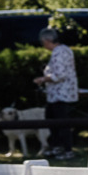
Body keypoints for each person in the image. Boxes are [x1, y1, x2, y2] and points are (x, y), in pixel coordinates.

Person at [34, 28, 78, 160]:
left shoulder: (58, 52)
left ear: (47, 40)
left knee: (60, 123)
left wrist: (42, 79)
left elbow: (59, 75)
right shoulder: (65, 50)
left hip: (60, 94)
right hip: (61, 93)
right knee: (53, 120)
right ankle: (57, 147)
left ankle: (66, 150)